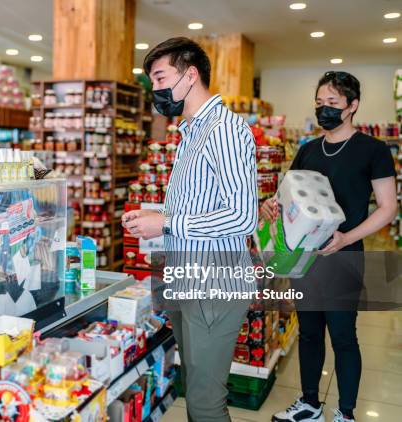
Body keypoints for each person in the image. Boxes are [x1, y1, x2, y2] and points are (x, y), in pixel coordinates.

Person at [122, 37, 258, 422]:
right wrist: (154, 221)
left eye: (161, 77)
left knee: (204, 400)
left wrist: (166, 221)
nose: (156, 90)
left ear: (191, 74)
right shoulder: (189, 133)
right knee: (194, 385)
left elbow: (242, 215)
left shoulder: (224, 130)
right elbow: (195, 209)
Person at [266, 72, 397, 422]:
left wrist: (347, 237)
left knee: (342, 335)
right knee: (309, 333)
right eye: (320, 104)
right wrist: (272, 206)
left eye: (333, 104)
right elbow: (286, 194)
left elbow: (388, 207)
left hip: (344, 256)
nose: (324, 110)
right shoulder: (308, 150)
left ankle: (346, 413)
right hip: (304, 258)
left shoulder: (373, 149)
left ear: (352, 106)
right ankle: (309, 404)